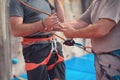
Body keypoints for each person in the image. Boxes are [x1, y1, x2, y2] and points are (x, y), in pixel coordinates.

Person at [58, 0, 120, 80]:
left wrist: (74, 33)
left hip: (114, 60)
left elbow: (101, 29)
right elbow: (80, 22)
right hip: (101, 59)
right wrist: (55, 27)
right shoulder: (97, 2)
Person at [9, 0, 65, 80]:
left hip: (53, 45)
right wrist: (42, 24)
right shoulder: (17, 1)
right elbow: (16, 30)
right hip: (35, 49)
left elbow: (61, 21)